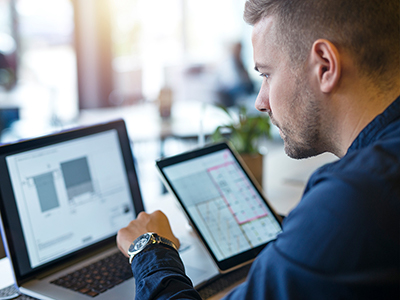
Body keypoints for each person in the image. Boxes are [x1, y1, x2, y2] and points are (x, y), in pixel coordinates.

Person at [117, 0, 400, 298]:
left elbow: (347, 222)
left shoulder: (354, 199)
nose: (260, 101)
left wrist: (149, 247)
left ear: (325, 66)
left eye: (266, 74)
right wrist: (296, 233)